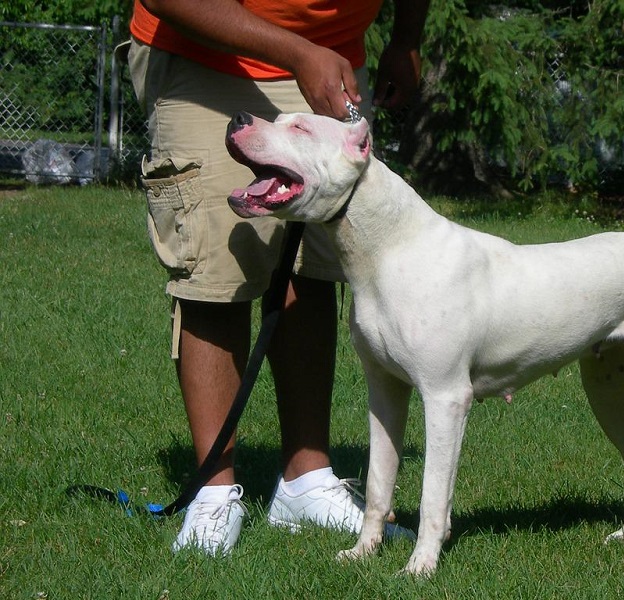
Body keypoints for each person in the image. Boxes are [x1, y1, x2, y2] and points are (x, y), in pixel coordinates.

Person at [127, 0, 430, 555]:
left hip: (329, 59)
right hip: (208, 56)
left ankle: (305, 480)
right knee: (215, 269)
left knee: (317, 265)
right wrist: (296, 50)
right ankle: (214, 494)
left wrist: (405, 38)